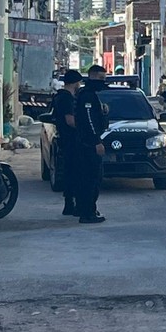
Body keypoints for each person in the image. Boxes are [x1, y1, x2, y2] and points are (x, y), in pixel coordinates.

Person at [75, 65, 109, 224]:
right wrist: (96, 141)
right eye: (101, 78)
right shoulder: (87, 96)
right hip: (88, 144)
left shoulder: (88, 94)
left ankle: (88, 210)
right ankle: (88, 213)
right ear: (93, 77)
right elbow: (89, 120)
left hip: (85, 142)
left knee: (90, 178)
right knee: (91, 179)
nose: (103, 82)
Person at [52, 70, 83, 216]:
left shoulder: (59, 96)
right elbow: (70, 120)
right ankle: (73, 204)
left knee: (69, 171)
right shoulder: (66, 98)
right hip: (72, 140)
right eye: (79, 83)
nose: (79, 85)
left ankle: (69, 203)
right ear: (75, 83)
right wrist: (84, 127)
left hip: (65, 139)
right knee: (75, 172)